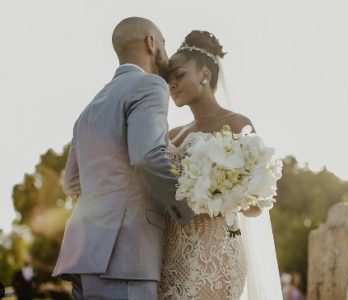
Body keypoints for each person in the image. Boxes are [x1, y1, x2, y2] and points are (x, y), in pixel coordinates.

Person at [52, 17, 194, 300]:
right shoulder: (150, 85)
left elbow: (71, 183)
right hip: (128, 256)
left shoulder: (88, 110)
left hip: (83, 255)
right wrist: (186, 210)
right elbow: (146, 157)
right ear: (151, 43)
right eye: (163, 42)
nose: (165, 49)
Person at [157, 30, 283, 299]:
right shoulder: (170, 134)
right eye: (168, 79)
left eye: (179, 75)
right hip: (168, 255)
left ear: (205, 75)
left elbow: (253, 209)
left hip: (214, 257)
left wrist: (222, 190)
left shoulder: (237, 124)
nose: (172, 85)